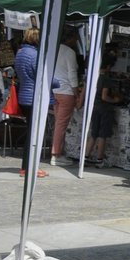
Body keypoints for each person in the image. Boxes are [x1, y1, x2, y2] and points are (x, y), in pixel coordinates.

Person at [11, 27, 45, 177]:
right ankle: (29, 167)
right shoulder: (34, 55)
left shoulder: (20, 53)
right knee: (34, 135)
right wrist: (55, 83)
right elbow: (41, 75)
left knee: (31, 132)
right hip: (33, 96)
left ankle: (28, 167)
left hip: (24, 94)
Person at [49, 27, 80, 166]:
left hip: (55, 90)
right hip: (66, 91)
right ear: (71, 38)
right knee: (61, 124)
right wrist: (76, 92)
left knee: (58, 123)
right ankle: (56, 154)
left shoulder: (54, 50)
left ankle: (57, 151)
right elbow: (72, 74)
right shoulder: (70, 52)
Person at [86, 69, 124, 167]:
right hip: (104, 109)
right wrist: (115, 100)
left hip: (95, 106)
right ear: (108, 67)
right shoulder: (106, 79)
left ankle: (86, 157)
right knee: (102, 135)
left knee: (94, 133)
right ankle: (99, 160)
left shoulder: (93, 77)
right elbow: (104, 96)